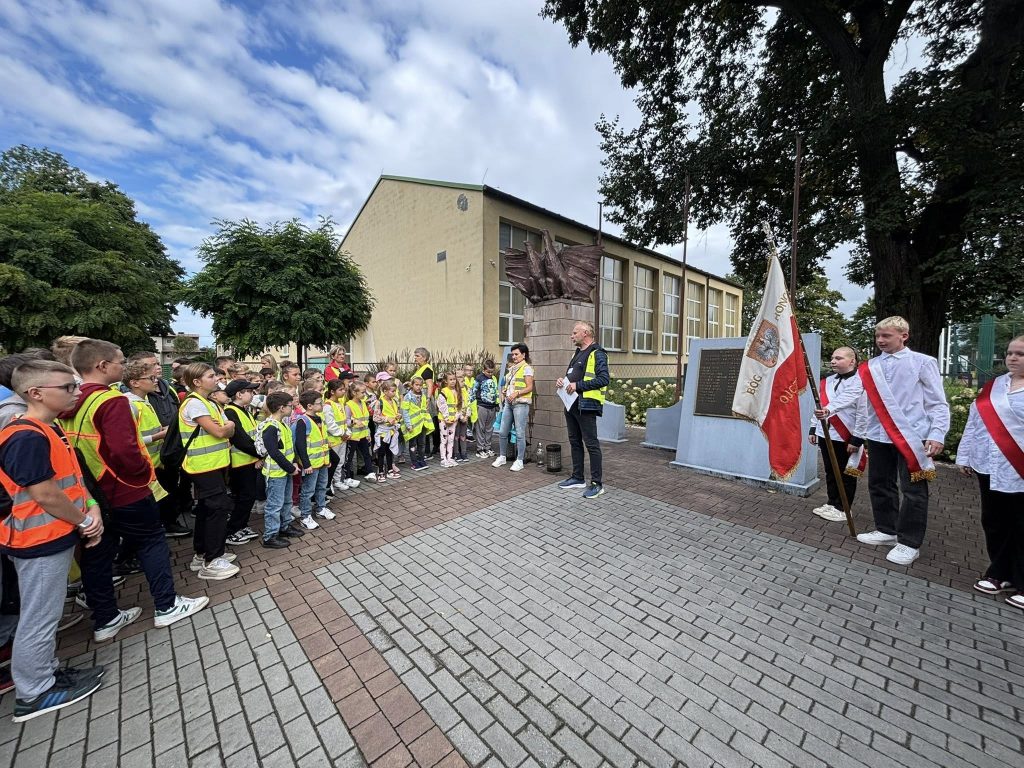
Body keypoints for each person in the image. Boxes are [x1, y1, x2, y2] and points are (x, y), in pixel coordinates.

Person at [61, 341, 209, 638]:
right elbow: (125, 451)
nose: (123, 365)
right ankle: (167, 606)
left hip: (90, 491)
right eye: (119, 360)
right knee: (152, 543)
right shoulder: (110, 401)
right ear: (102, 366)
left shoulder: (70, 401)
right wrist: (143, 474)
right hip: (123, 487)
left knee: (98, 554)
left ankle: (106, 618)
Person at [0, 359, 107, 721]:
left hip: (55, 532)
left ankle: (46, 672)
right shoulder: (24, 435)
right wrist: (84, 521)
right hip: (38, 539)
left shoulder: (49, 427)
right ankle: (35, 692)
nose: (76, 393)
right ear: (36, 393)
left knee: (47, 611)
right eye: (67, 388)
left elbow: (71, 479)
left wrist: (91, 507)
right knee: (40, 616)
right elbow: (44, 494)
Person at [816, 316, 950, 566]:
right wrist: (829, 410)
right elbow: (854, 392)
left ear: (904, 336)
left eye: (886, 336)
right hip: (879, 435)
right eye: (878, 336)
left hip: (912, 437)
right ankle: (886, 529)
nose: (880, 341)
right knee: (880, 484)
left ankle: (909, 542)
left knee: (913, 491)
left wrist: (937, 433)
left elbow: (937, 402)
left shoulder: (922, 362)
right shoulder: (871, 366)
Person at [956, 336, 1024, 609]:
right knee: (994, 520)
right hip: (989, 464)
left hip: (1018, 467)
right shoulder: (994, 386)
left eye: (1020, 353)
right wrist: (964, 455)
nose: (1012, 358)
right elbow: (975, 422)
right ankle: (1000, 573)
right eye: (1009, 353)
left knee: (1021, 524)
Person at [177, 363, 240, 580]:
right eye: (211, 376)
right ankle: (212, 560)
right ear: (197, 382)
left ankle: (202, 552)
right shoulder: (195, 404)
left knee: (206, 508)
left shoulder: (208, 402)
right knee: (218, 508)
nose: (217, 379)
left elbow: (224, 427)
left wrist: (227, 427)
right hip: (202, 466)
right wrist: (228, 427)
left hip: (213, 464)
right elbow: (221, 430)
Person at [127, 352, 191, 538]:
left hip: (161, 459)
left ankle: (168, 524)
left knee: (169, 494)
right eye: (150, 375)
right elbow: (131, 439)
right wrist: (158, 436)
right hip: (147, 464)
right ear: (135, 381)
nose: (155, 377)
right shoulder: (129, 403)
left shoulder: (149, 397)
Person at [808, 347, 864, 522]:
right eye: (832, 358)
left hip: (846, 434)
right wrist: (813, 427)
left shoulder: (860, 382)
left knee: (845, 473)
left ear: (852, 361)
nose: (833, 361)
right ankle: (832, 502)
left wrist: (858, 438)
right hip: (826, 432)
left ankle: (843, 507)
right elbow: (820, 405)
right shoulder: (828, 380)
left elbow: (864, 413)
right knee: (830, 470)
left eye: (838, 358)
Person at [556, 322, 609, 498]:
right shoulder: (577, 353)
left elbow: (603, 379)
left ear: (585, 333)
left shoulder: (597, 353)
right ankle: (578, 478)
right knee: (575, 441)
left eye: (574, 333)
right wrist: (563, 382)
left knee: (591, 444)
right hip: (571, 405)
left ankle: (597, 483)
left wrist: (577, 385)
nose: (572, 336)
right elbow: (572, 375)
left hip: (586, 406)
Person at [259, 393, 304, 549]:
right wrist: (290, 467)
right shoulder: (271, 426)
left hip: (284, 471)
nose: (293, 408)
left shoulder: (282, 424)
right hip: (275, 473)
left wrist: (291, 465)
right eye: (290, 405)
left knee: (286, 501)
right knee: (274, 505)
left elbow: (286, 449)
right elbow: (274, 452)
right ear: (281, 408)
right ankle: (270, 536)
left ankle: (285, 526)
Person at [223, 381, 263, 546]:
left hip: (249, 460)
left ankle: (241, 525)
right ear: (239, 394)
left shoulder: (242, 410)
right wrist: (260, 453)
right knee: (244, 497)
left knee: (248, 496)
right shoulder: (231, 411)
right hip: (240, 463)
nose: (252, 394)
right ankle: (232, 531)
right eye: (249, 391)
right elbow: (240, 440)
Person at [293, 390, 334, 528]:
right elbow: (300, 444)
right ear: (309, 406)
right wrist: (306, 463)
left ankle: (321, 508)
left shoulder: (319, 418)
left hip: (322, 461)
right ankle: (305, 516)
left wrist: (327, 460)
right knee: (308, 490)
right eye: (319, 403)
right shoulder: (302, 421)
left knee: (322, 486)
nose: (322, 404)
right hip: (311, 463)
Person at [493, 343, 534, 472]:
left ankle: (519, 460)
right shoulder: (512, 369)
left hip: (520, 404)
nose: (514, 356)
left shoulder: (527, 368)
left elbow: (529, 387)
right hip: (509, 404)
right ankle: (502, 456)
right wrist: (505, 391)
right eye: (513, 354)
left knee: (520, 433)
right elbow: (509, 384)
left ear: (523, 355)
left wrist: (516, 393)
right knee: (503, 432)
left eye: (516, 354)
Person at [322, 379, 351, 494]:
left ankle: (337, 480)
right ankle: (330, 483)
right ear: (332, 391)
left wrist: (346, 433)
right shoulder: (328, 406)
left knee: (340, 461)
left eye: (344, 389)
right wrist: (341, 433)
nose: (343, 392)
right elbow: (330, 425)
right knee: (333, 463)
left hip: (342, 439)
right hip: (334, 440)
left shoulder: (339, 403)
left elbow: (343, 421)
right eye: (340, 390)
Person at [344, 382, 375, 481]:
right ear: (354, 393)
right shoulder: (348, 405)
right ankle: (347, 476)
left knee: (366, 454)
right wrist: (354, 421)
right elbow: (345, 421)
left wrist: (368, 433)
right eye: (362, 392)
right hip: (353, 436)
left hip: (363, 435)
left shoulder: (363, 403)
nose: (364, 395)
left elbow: (366, 421)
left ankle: (370, 472)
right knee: (350, 456)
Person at [401, 376, 432, 471]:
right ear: (412, 385)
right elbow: (405, 411)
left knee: (422, 443)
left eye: (420, 385)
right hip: (413, 425)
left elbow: (423, 410)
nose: (419, 387)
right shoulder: (408, 397)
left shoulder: (423, 396)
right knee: (413, 444)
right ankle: (414, 462)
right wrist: (408, 425)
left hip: (422, 424)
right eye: (416, 385)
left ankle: (421, 459)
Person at [373, 380, 402, 480]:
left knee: (390, 451)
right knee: (381, 452)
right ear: (385, 391)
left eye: (395, 391)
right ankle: (380, 471)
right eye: (392, 391)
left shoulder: (394, 401)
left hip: (392, 430)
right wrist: (386, 419)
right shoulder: (379, 402)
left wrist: (398, 416)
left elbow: (395, 413)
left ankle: (390, 469)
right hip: (383, 431)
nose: (394, 393)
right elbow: (375, 417)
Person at [412, 348, 438, 456]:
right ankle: (422, 450)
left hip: (423, 399)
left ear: (424, 357)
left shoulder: (426, 369)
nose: (415, 358)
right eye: (415, 355)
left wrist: (427, 399)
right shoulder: (421, 369)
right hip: (418, 398)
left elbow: (429, 385)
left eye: (417, 356)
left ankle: (426, 451)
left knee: (424, 424)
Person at [473, 360, 499, 458]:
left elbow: (495, 392)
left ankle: (488, 447)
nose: (490, 374)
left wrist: (497, 404)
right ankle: (480, 449)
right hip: (482, 406)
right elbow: (473, 391)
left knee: (489, 429)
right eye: (488, 372)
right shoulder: (479, 378)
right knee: (480, 428)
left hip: (492, 407)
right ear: (483, 370)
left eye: (492, 372)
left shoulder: (494, 378)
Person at [437, 372, 463, 468]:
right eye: (450, 379)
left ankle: (450, 457)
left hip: (453, 420)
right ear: (446, 381)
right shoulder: (444, 391)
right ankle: (443, 459)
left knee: (451, 439)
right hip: (444, 420)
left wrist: (456, 417)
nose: (453, 381)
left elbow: (459, 406)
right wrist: (447, 418)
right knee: (444, 439)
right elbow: (442, 405)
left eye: (454, 379)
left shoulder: (457, 391)